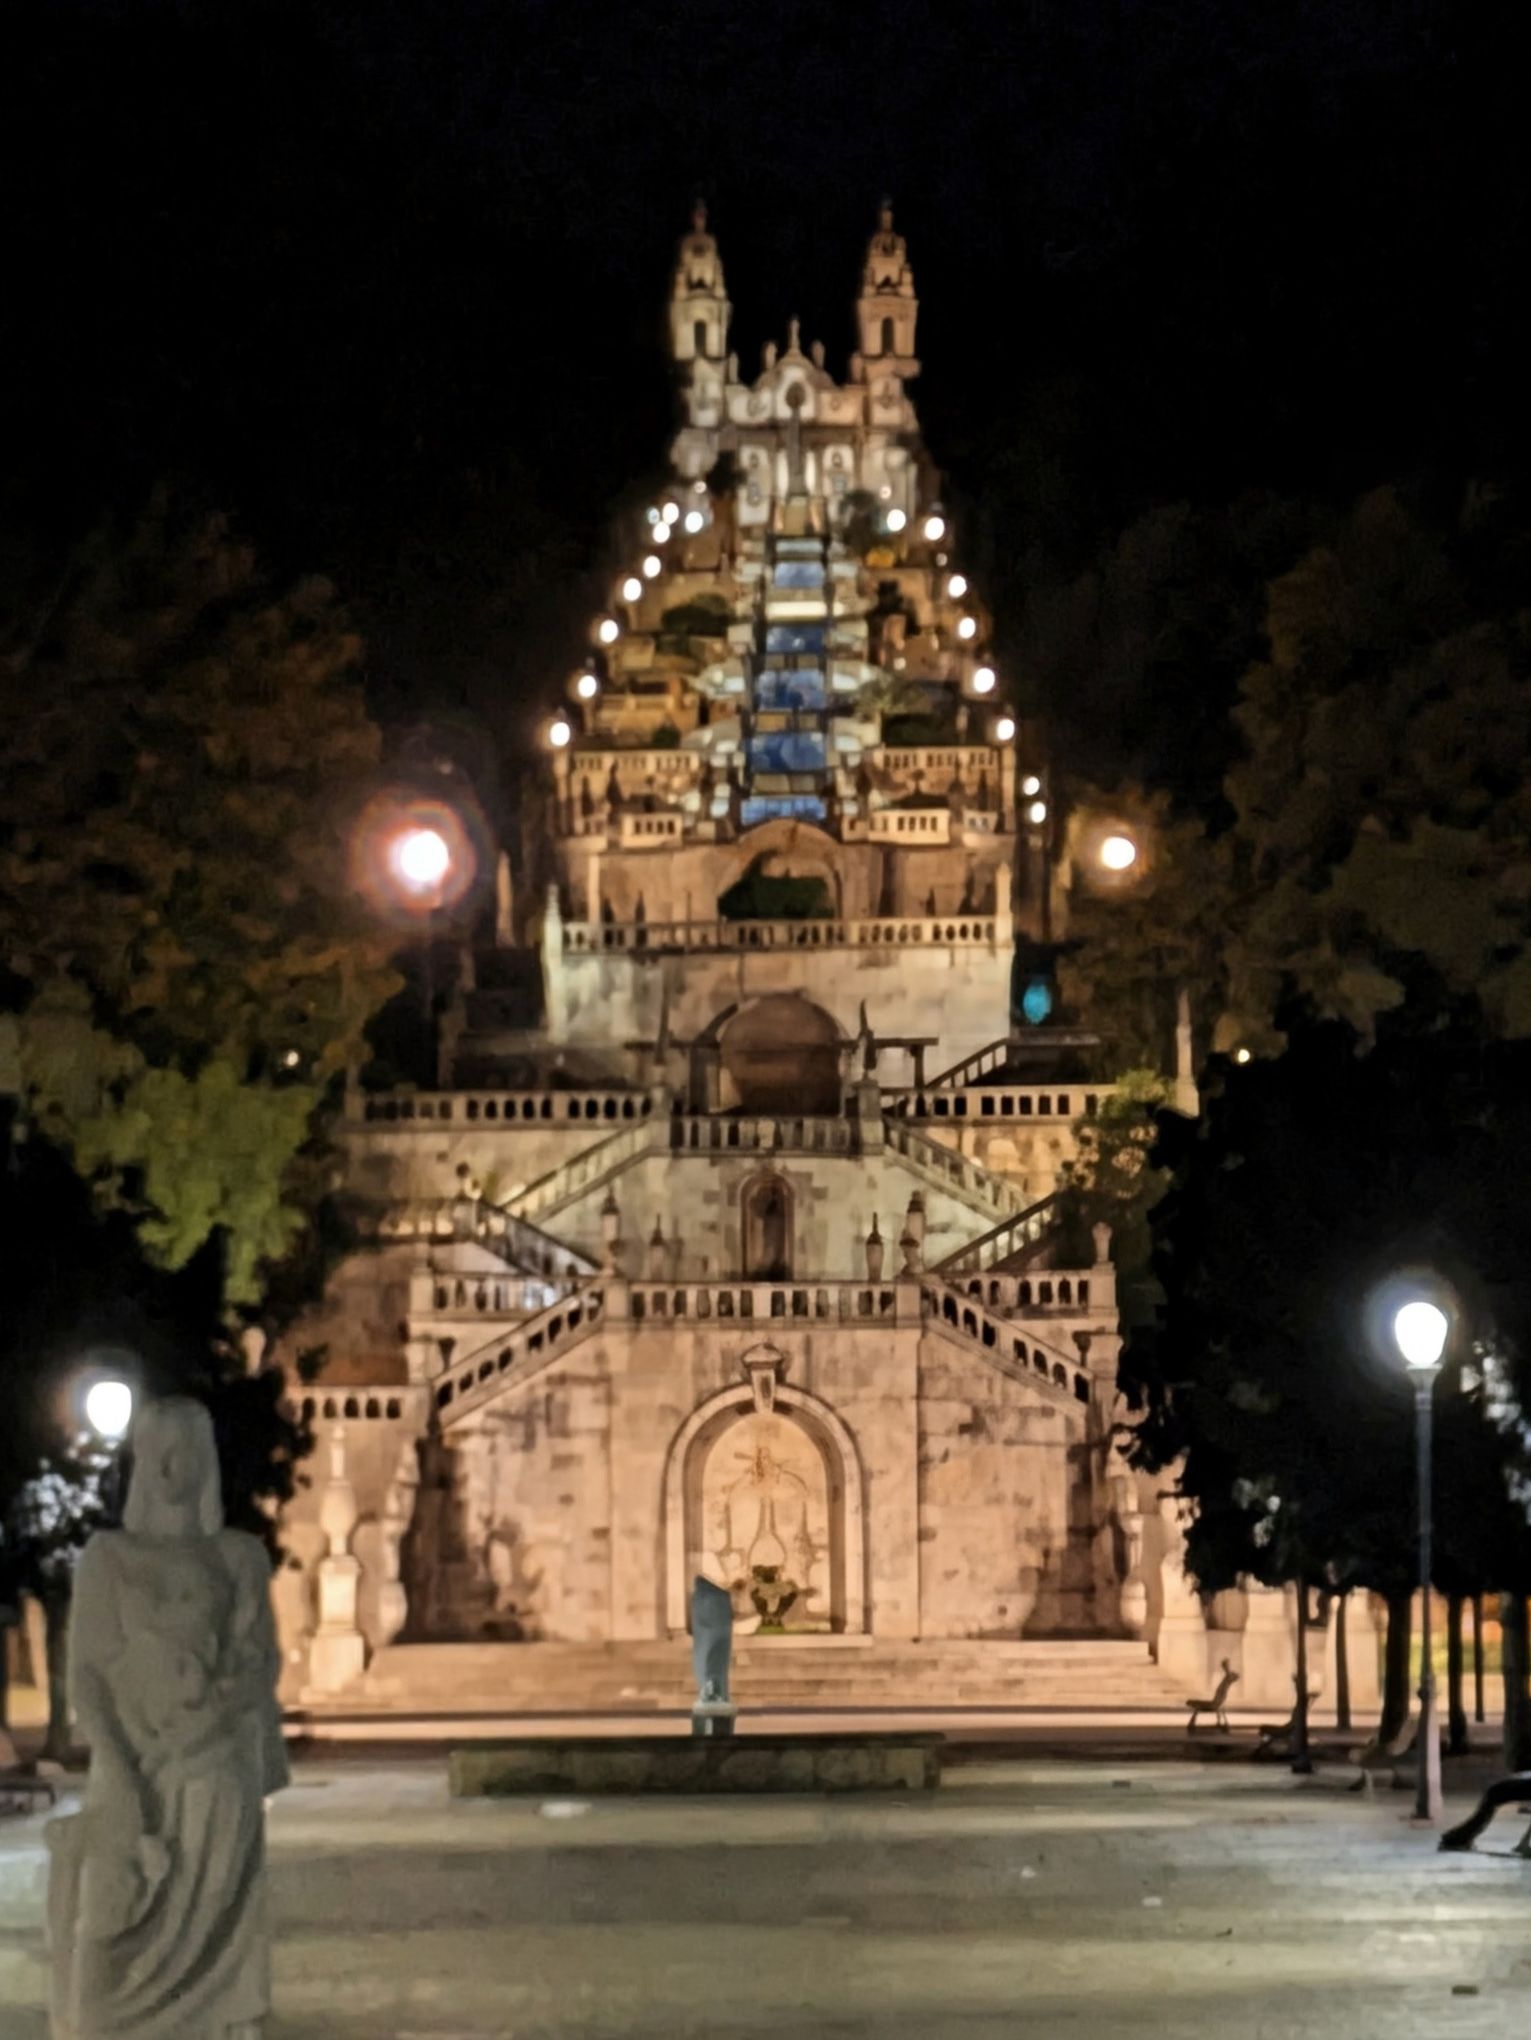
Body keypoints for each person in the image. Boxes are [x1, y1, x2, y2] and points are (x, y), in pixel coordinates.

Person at [47, 1396, 288, 2039]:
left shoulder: (237, 1557)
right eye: (156, 1453)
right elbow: (88, 1676)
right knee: (106, 1952)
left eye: (184, 1454)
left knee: (214, 1928)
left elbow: (259, 1662)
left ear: (204, 1462)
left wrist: (210, 1717)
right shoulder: (108, 1557)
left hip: (215, 1779)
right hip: (132, 1780)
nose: (168, 1468)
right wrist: (122, 1771)